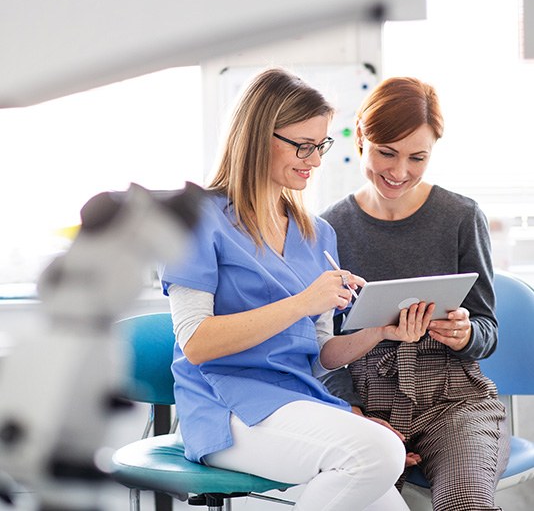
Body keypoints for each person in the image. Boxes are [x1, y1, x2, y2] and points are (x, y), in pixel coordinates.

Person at [159, 68, 431, 511]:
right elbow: (196, 344)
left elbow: (321, 351)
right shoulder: (194, 220)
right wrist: (304, 302)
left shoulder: (317, 234)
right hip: (225, 407)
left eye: (320, 145)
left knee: (389, 500)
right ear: (256, 136)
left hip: (298, 398)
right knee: (376, 454)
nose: (316, 160)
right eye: (303, 146)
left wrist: (379, 333)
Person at [320, 76, 511, 511]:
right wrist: (355, 416)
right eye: (386, 152)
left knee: (466, 503)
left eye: (417, 157)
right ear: (362, 136)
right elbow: (322, 350)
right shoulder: (329, 229)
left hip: (454, 401)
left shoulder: (461, 216)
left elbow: (487, 329)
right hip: (367, 404)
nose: (399, 172)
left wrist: (465, 334)